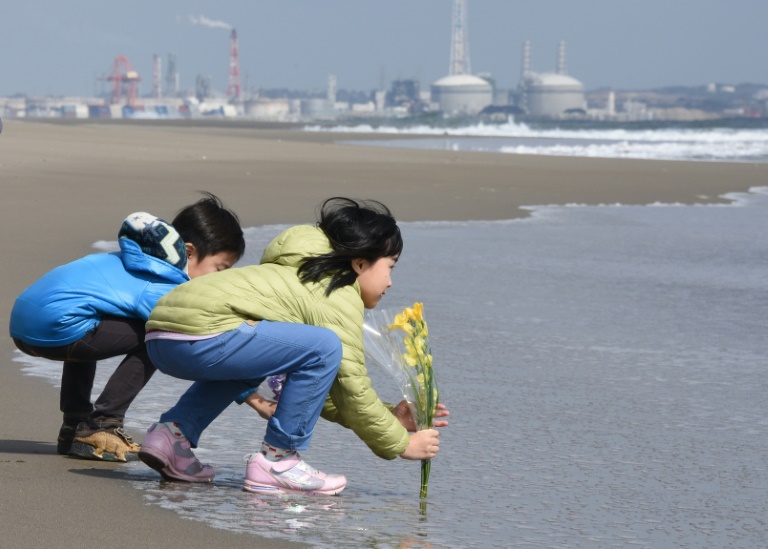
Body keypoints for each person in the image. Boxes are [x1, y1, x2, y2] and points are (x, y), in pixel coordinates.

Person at [139, 197, 449, 495]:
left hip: (160, 334)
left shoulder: (294, 274)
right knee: (327, 346)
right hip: (203, 333)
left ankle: (172, 435)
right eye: (390, 267)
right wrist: (400, 442)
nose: (391, 282)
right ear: (359, 262)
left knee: (264, 358)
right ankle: (279, 460)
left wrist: (390, 416)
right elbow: (350, 385)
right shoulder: (336, 290)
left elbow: (319, 391)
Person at [9, 193, 244, 462]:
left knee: (92, 323)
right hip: (55, 329)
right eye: (219, 269)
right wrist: (247, 389)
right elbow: (193, 332)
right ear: (189, 252)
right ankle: (103, 424)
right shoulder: (161, 282)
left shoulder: (135, 259)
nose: (219, 280)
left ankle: (75, 423)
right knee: (157, 335)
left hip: (26, 326)